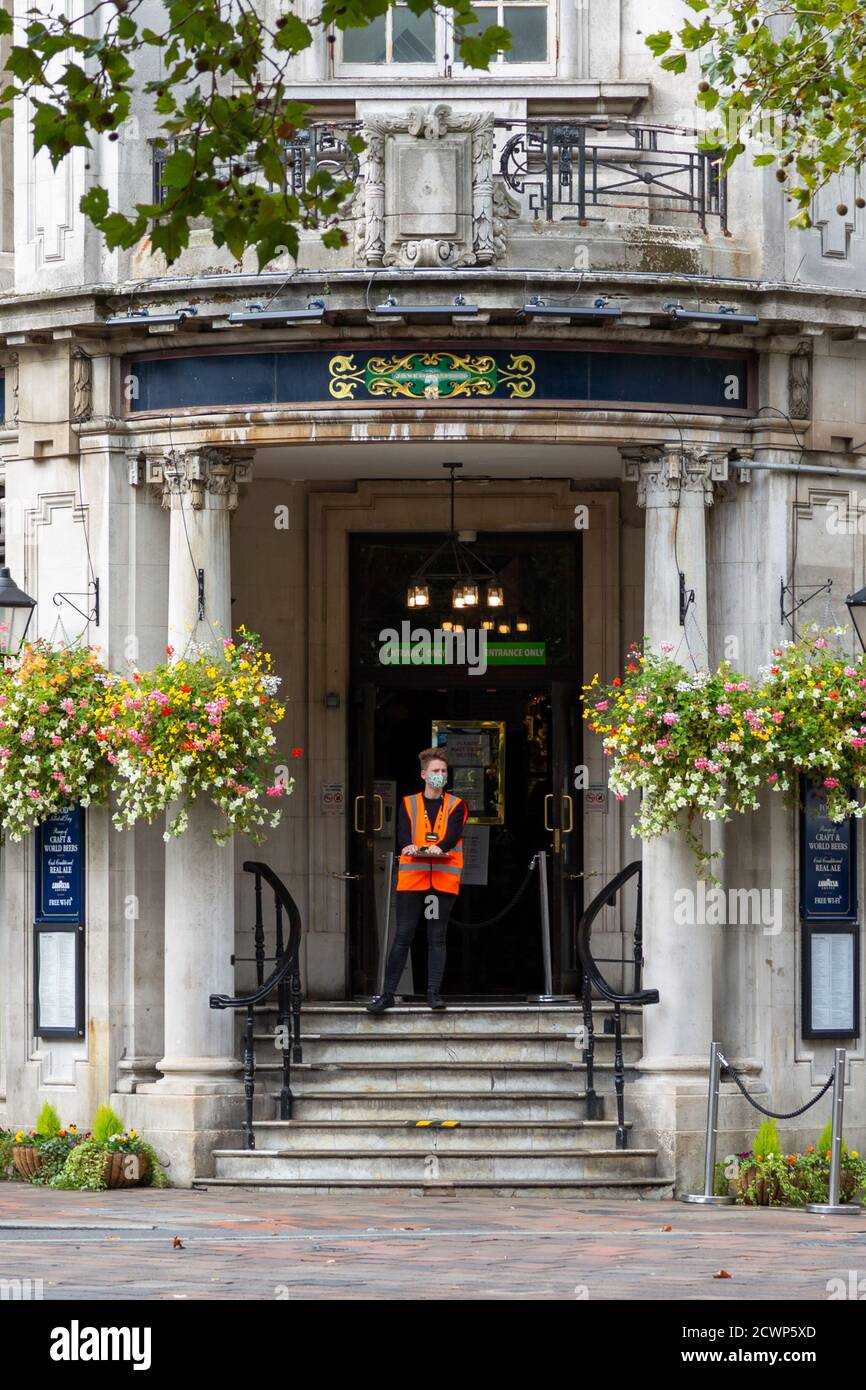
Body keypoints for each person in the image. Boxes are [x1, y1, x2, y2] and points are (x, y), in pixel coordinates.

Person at [367, 748, 468, 1013]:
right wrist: (410, 846)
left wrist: (439, 847)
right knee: (403, 936)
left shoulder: (457, 805)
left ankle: (433, 994)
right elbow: (403, 834)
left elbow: (453, 834)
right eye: (435, 771)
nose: (440, 775)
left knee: (437, 938)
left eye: (444, 771)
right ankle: (387, 994)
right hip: (413, 879)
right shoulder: (409, 803)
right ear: (424, 774)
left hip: (443, 880)